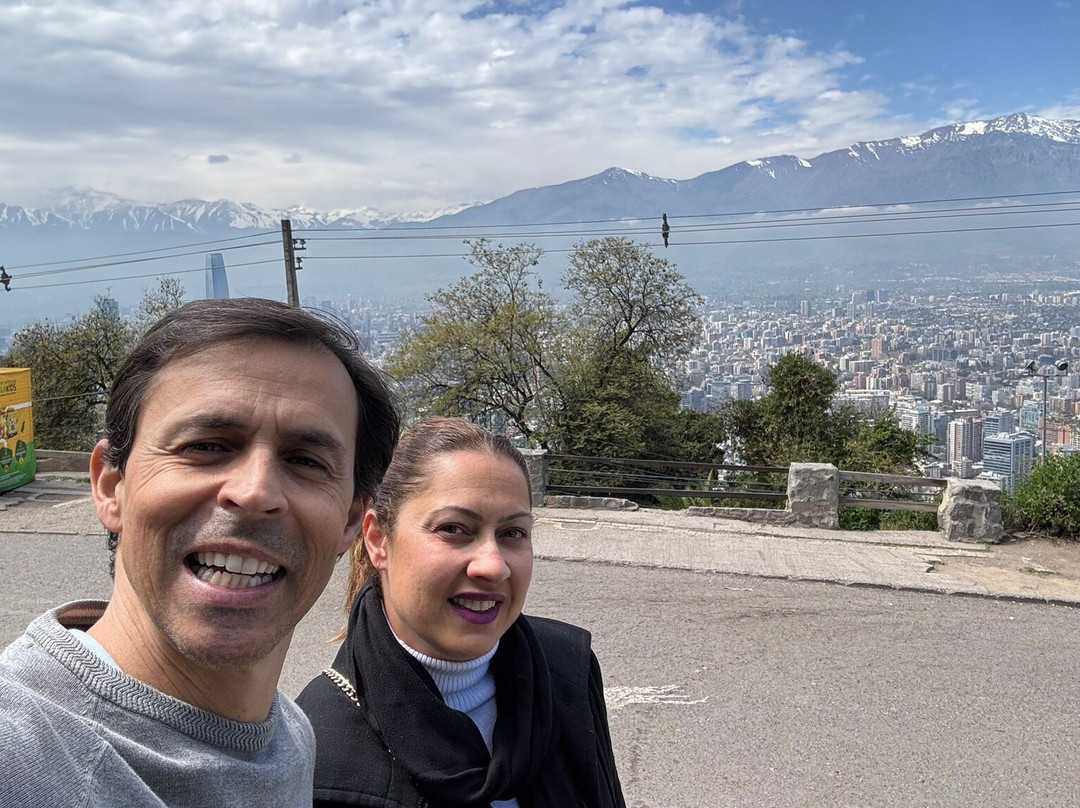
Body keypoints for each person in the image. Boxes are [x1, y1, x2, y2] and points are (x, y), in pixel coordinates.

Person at [0, 298, 399, 807]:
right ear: (110, 485)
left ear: (349, 521)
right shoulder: (17, 757)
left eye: (305, 460)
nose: (255, 492)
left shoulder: (290, 737)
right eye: (206, 445)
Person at [296, 417, 626, 808]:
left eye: (513, 533)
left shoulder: (566, 669)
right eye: (454, 529)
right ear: (378, 539)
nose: (493, 566)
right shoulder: (321, 753)